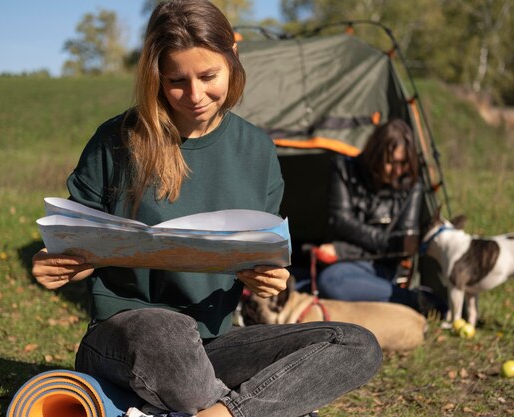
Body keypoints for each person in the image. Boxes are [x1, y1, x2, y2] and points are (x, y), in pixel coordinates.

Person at [31, 2, 382, 417]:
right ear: (155, 77)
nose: (195, 95)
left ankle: (219, 412)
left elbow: (264, 257)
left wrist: (268, 276)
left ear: (232, 60)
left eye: (208, 76)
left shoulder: (258, 150)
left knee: (356, 344)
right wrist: (57, 262)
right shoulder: (118, 140)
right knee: (168, 330)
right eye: (176, 80)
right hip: (127, 335)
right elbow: (75, 238)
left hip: (215, 344)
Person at [315, 118, 435, 313]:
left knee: (331, 282)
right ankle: (398, 299)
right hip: (346, 263)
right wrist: (349, 252)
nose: (397, 171)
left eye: (403, 163)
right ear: (376, 154)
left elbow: (402, 245)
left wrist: (343, 250)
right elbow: (340, 222)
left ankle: (409, 298)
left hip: (380, 267)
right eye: (391, 162)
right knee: (326, 281)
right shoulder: (344, 170)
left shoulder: (412, 184)